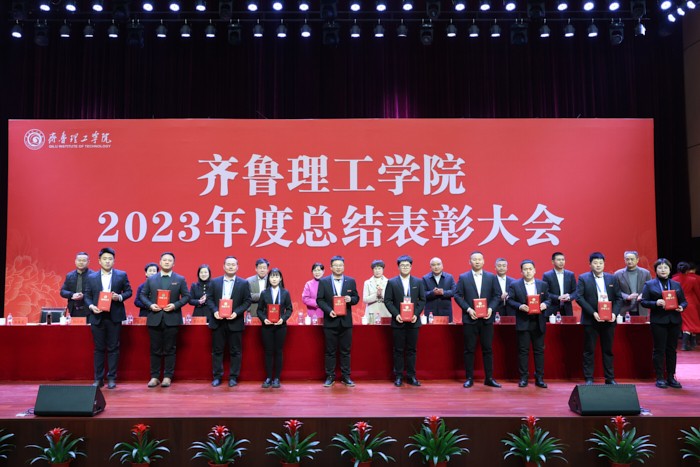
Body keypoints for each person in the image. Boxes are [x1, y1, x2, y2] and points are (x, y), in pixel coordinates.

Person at [140, 252, 190, 388]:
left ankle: (168, 376)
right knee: (155, 348)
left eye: (170, 260)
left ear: (173, 263)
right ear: (160, 262)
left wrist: (175, 305)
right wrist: (150, 305)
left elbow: (187, 296)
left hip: (172, 318)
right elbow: (143, 295)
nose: (167, 262)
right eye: (164, 260)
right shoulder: (151, 279)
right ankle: (155, 376)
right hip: (154, 318)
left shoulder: (179, 279)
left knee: (170, 349)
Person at [84, 248, 132, 389]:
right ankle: (98, 379)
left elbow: (129, 291)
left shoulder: (121, 275)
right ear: (99, 261)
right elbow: (87, 295)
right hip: (97, 315)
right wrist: (91, 306)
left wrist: (120, 297)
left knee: (113, 348)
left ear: (114, 261)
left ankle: (111, 378)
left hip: (114, 316)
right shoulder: (91, 277)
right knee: (98, 348)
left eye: (110, 259)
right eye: (104, 259)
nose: (107, 261)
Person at [454, 251, 502, 388]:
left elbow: (497, 295)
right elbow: (457, 295)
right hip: (470, 319)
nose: (477, 261)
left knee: (488, 349)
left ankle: (489, 378)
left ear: (483, 261)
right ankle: (469, 378)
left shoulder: (491, 277)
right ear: (469, 262)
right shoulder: (464, 277)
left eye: (479, 259)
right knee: (469, 349)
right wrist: (468, 309)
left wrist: (491, 309)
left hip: (487, 319)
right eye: (474, 259)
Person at [576, 252, 623, 385]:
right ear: (590, 264)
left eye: (601, 263)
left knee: (608, 350)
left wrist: (614, 313)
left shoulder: (612, 278)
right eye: (595, 263)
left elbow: (619, 298)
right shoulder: (583, 278)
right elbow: (579, 297)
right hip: (591, 320)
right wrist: (593, 313)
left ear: (604, 264)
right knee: (589, 350)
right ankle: (589, 378)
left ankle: (610, 378)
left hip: (609, 320)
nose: (598, 265)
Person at [642, 258, 688, 388]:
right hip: (658, 321)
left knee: (672, 350)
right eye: (660, 268)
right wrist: (655, 303)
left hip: (674, 320)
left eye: (666, 267)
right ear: (656, 270)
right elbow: (644, 301)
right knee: (659, 349)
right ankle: (660, 377)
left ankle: (671, 377)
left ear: (669, 269)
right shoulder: (649, 284)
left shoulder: (676, 284)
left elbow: (684, 301)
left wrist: (682, 307)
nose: (663, 270)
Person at [208, 256, 252, 387]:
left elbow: (247, 301)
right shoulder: (214, 282)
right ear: (223, 266)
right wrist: (215, 311)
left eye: (233, 264)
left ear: (237, 267)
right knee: (217, 351)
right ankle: (217, 377)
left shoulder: (243, 283)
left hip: (235, 321)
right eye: (228, 264)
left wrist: (236, 313)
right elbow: (209, 299)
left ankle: (233, 377)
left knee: (235, 351)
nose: (231, 266)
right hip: (218, 321)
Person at [316, 255, 359, 387]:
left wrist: (350, 300)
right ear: (331, 267)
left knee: (346, 351)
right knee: (330, 351)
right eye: (336, 265)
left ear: (344, 267)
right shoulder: (324, 281)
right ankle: (330, 376)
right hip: (330, 321)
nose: (338, 267)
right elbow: (320, 300)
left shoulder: (351, 281)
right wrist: (329, 311)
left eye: (340, 265)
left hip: (346, 322)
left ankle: (346, 376)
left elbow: (356, 298)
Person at [508, 260, 551, 388]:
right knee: (523, 351)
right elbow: (510, 300)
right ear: (521, 271)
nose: (528, 271)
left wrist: (545, 304)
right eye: (525, 269)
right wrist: (520, 306)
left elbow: (548, 299)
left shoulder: (542, 284)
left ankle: (539, 378)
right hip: (523, 322)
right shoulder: (515, 285)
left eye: (530, 269)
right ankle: (523, 378)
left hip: (538, 322)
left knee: (539, 351)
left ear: (534, 270)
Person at [384, 255, 426, 386]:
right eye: (402, 265)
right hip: (398, 321)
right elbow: (388, 300)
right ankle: (398, 376)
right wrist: (396, 314)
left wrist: (416, 314)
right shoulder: (392, 282)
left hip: (413, 321)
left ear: (411, 266)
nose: (405, 267)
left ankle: (411, 376)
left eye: (407, 265)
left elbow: (422, 300)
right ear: (398, 267)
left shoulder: (418, 282)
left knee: (412, 350)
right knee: (398, 350)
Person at [258, 268, 293, 388]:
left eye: (276, 276)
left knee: (278, 351)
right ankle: (268, 377)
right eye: (272, 276)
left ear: (280, 278)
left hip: (280, 326)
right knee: (268, 352)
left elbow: (289, 309)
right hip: (267, 326)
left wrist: (283, 319)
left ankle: (277, 378)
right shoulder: (264, 293)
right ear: (269, 279)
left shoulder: (285, 292)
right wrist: (264, 319)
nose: (274, 279)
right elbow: (259, 310)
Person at [614, 251, 653, 317]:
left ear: (637, 260)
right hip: (624, 309)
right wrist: (627, 297)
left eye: (632, 259)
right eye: (627, 259)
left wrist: (642, 295)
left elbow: (650, 288)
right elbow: (615, 291)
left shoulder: (646, 273)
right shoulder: (618, 274)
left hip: (642, 308)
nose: (629, 261)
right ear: (624, 260)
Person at [673, 262, 700, 350]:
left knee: (685, 323)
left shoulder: (674, 279)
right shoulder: (692, 279)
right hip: (690, 303)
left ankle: (686, 344)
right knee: (690, 323)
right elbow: (698, 292)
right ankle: (685, 345)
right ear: (687, 270)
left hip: (677, 302)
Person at [542, 252, 578, 316]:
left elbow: (575, 291)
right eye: (559, 260)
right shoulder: (547, 275)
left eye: (563, 260)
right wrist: (558, 297)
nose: (561, 262)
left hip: (567, 308)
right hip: (552, 308)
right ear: (553, 262)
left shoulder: (570, 274)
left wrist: (569, 297)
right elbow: (545, 293)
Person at [422, 257, 456, 322]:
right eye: (433, 265)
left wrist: (443, 292)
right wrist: (432, 293)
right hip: (430, 312)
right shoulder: (425, 278)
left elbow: (455, 291)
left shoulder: (449, 277)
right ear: (430, 267)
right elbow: (422, 294)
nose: (436, 267)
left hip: (446, 312)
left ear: (442, 266)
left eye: (438, 264)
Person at [60, 252, 93, 318]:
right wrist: (72, 294)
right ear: (75, 261)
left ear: (88, 262)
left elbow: (96, 293)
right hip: (74, 310)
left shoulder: (93, 276)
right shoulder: (70, 275)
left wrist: (83, 296)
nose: (81, 262)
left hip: (89, 310)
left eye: (84, 260)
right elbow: (62, 291)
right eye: (79, 260)